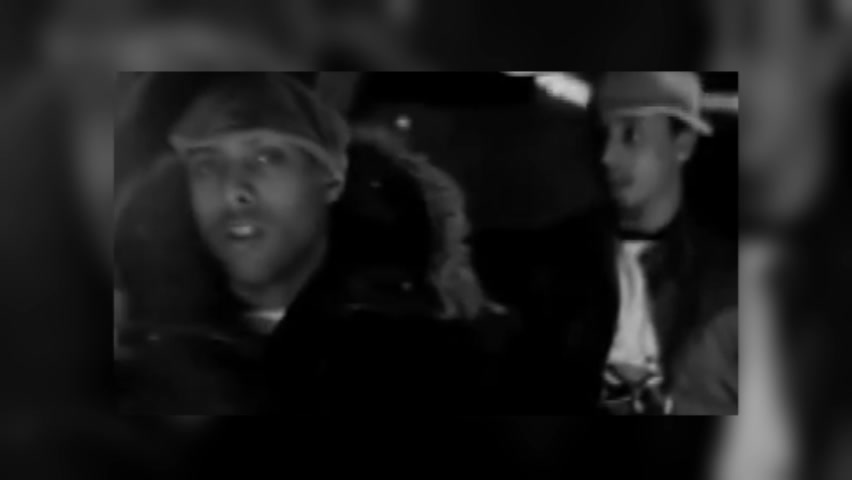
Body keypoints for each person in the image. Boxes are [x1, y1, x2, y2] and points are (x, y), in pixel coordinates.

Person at [116, 72, 505, 413]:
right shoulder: (138, 361)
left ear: (330, 180)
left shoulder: (431, 361)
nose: (234, 191)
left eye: (267, 157)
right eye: (207, 165)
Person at [595, 71, 737, 415]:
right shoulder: (560, 266)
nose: (607, 156)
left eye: (630, 135)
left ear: (683, 144)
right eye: (603, 135)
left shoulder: (727, 289)